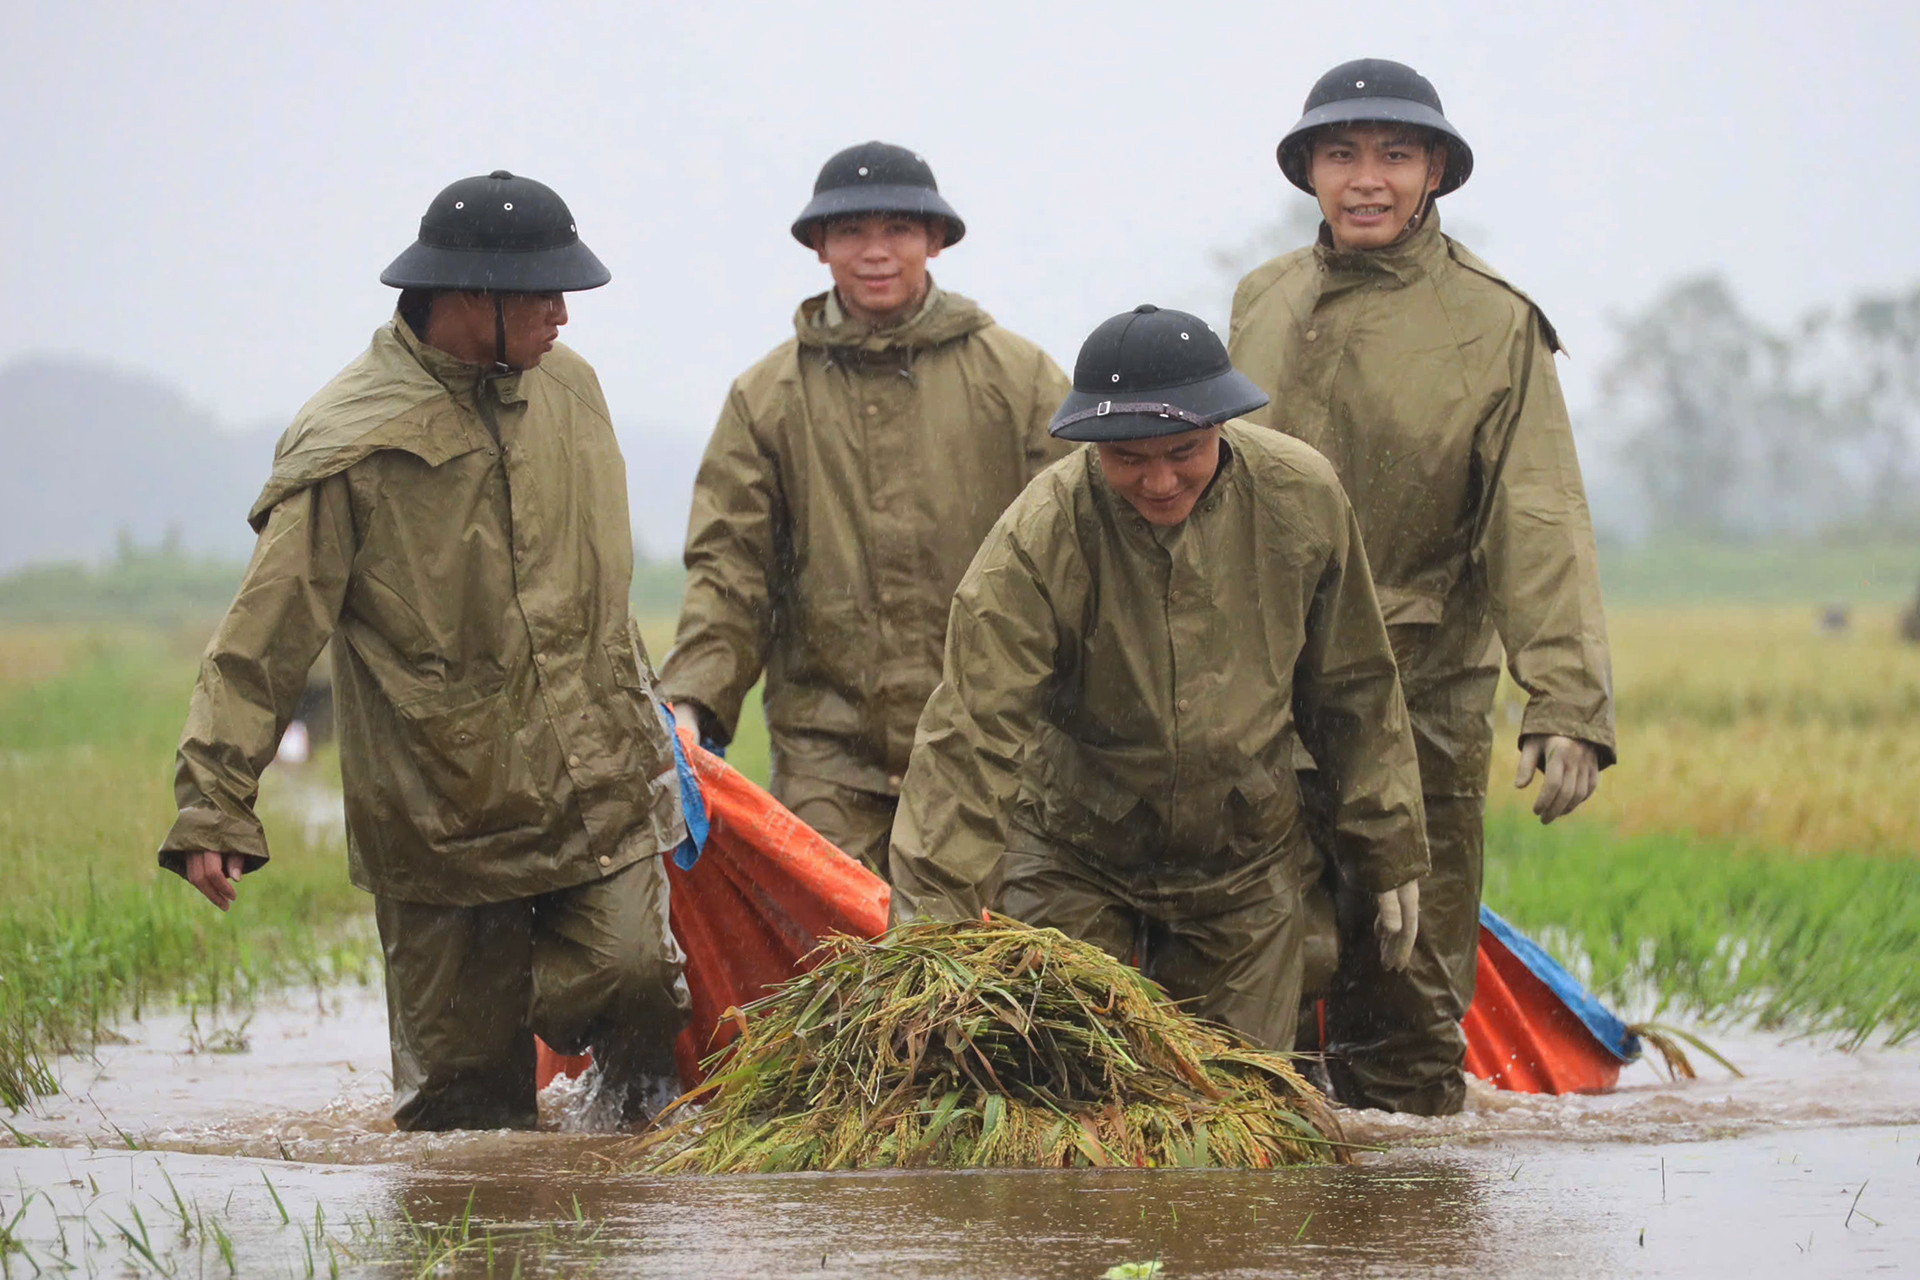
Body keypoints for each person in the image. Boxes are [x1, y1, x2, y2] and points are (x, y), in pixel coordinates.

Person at [158, 171, 690, 1132]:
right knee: (464, 1128)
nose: (564, 313)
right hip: (442, 815)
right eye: (539, 292)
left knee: (639, 985)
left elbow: (599, 589)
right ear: (466, 297)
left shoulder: (573, 391)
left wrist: (658, 732)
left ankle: (624, 1205)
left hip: (596, 782)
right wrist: (213, 799)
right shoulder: (351, 442)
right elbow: (266, 634)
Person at [1228, 59, 1618, 1114]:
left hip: (1421, 710)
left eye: (1394, 155)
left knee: (1403, 1016)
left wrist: (1567, 699)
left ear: (1435, 171)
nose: (1367, 179)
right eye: (1342, 154)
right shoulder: (1261, 301)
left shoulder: (1494, 325)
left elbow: (1537, 518)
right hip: (1257, 710)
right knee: (1240, 1008)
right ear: (1308, 168)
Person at [888, 305, 1429, 1051]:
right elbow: (970, 735)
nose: (1161, 480)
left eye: (1184, 450)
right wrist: (931, 939)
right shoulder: (1041, 532)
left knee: (1238, 1107)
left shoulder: (1301, 497)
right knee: (1068, 1083)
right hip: (1075, 849)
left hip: (1243, 855)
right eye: (1129, 459)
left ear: (1221, 428)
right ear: (1092, 444)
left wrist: (1388, 845)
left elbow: (1354, 687)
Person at [657, 141, 1072, 875]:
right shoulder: (767, 398)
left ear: (935, 241)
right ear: (819, 247)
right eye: (851, 232)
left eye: (898, 231)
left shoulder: (1021, 379)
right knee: (839, 961)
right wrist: (691, 700)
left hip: (991, 743)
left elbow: (1077, 562)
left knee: (985, 968)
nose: (875, 253)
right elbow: (732, 571)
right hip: (828, 752)